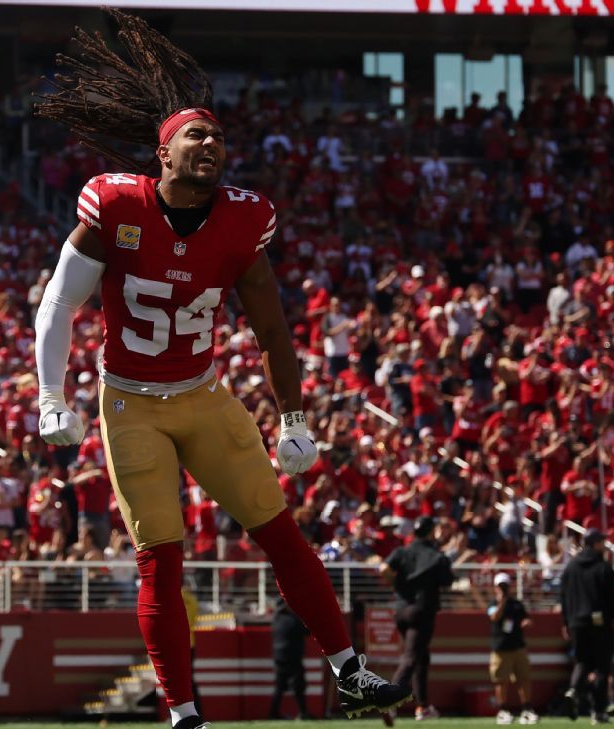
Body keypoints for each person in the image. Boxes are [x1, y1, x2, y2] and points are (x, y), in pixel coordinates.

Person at [30, 11, 409, 729]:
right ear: (162, 153)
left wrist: (293, 416)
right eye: (195, 135)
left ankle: (348, 671)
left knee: (281, 532)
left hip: (203, 395)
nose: (211, 144)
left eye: (219, 136)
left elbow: (270, 326)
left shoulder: (244, 218)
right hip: (130, 402)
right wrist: (53, 394)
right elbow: (58, 302)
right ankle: (182, 710)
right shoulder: (115, 203)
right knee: (161, 559)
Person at [380, 515, 454, 721]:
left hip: (401, 611)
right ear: (431, 532)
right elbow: (448, 580)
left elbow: (383, 568)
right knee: (412, 656)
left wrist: (395, 586)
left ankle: (423, 706)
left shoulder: (402, 551)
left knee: (421, 656)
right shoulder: (436, 555)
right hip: (422, 611)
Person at [559, 528, 614, 724]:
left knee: (582, 662)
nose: (604, 545)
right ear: (595, 543)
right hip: (599, 622)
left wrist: (565, 622)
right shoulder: (603, 567)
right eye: (601, 542)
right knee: (602, 667)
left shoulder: (571, 567)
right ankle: (599, 711)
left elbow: (563, 597)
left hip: (576, 622)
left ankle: (573, 690)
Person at [488, 572, 538, 725]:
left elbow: (527, 618)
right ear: (495, 588)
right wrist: (501, 602)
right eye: (500, 586)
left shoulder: (517, 604)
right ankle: (502, 710)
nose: (503, 589)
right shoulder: (492, 604)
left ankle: (527, 709)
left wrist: (527, 622)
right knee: (501, 681)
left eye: (505, 586)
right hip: (501, 648)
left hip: (518, 647)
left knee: (524, 679)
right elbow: (494, 617)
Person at [269, 597, 311, 720]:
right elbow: (307, 631)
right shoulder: (293, 620)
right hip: (293, 657)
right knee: (298, 686)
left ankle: (273, 713)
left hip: (279, 657)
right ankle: (303, 713)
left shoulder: (276, 620)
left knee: (279, 687)